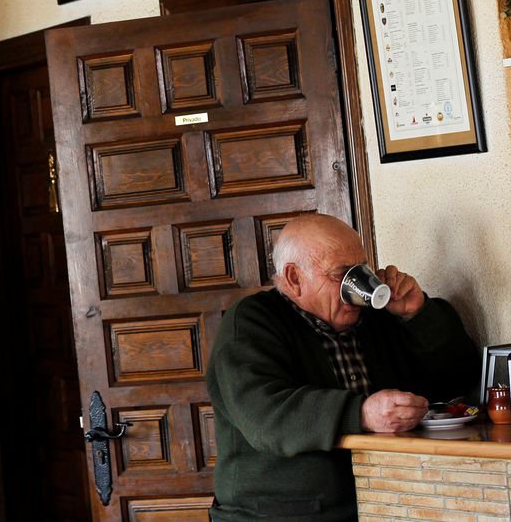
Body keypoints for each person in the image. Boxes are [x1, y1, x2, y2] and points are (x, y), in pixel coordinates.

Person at [205, 213, 479, 521]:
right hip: (276, 514)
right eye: (341, 274)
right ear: (295, 278)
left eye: (360, 270)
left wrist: (418, 315)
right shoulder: (252, 322)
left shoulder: (376, 318)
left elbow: (461, 378)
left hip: (386, 501)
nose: (357, 286)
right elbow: (265, 417)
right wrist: (360, 413)